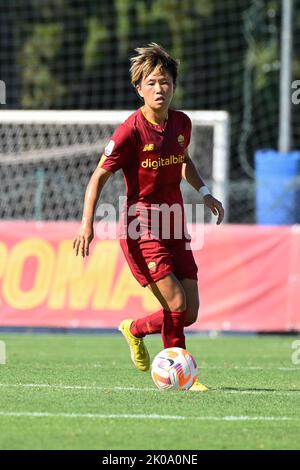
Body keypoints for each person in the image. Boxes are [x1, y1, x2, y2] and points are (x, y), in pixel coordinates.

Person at [73, 43, 224, 391]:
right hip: (141, 228)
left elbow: (183, 160)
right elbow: (98, 176)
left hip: (175, 224)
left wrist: (205, 193)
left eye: (166, 81)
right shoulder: (130, 131)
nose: (160, 89)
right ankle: (184, 374)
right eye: (152, 82)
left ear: (174, 85)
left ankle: (135, 329)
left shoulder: (182, 123)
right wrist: (87, 224)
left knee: (189, 312)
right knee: (175, 302)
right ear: (139, 88)